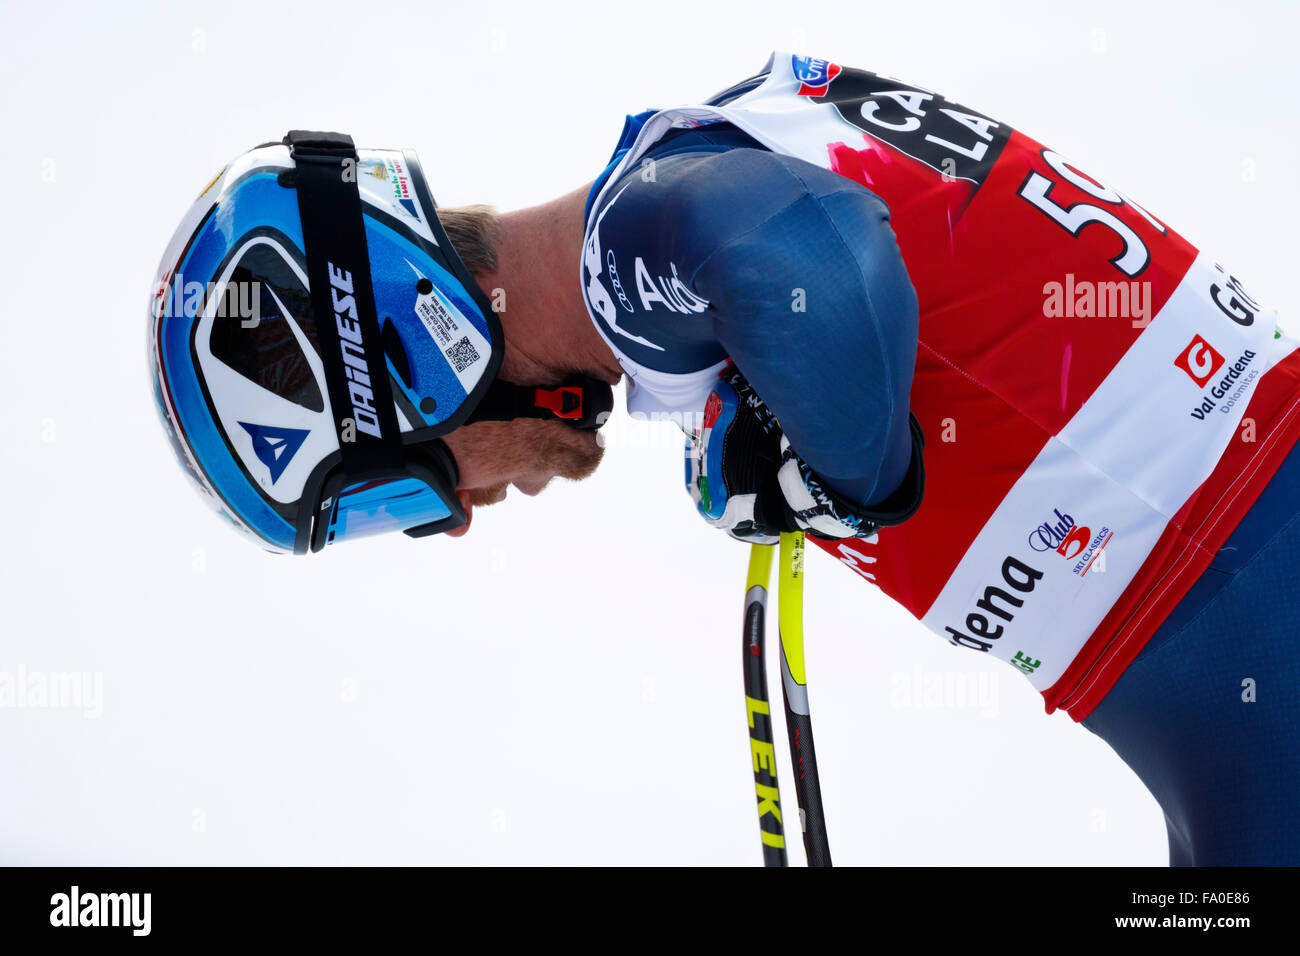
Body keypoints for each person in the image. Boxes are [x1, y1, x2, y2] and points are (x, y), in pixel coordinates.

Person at [149, 53, 1300, 865]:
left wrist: (838, 475)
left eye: (400, 488)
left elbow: (820, 254)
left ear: (417, 341)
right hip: (1229, 698)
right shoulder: (681, 260)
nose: (454, 516)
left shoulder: (632, 237)